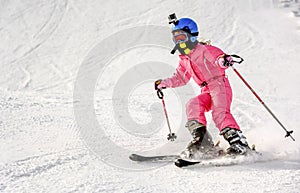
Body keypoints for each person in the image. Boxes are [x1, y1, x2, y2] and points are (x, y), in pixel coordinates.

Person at [155, 14, 250, 158]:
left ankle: (239, 143)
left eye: (181, 37)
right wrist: (164, 83)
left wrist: (223, 61)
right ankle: (203, 142)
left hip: (219, 86)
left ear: (192, 35)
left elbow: (218, 58)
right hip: (206, 90)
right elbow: (181, 78)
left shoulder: (205, 50)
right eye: (175, 38)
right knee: (193, 104)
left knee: (219, 112)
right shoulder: (184, 59)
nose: (178, 42)